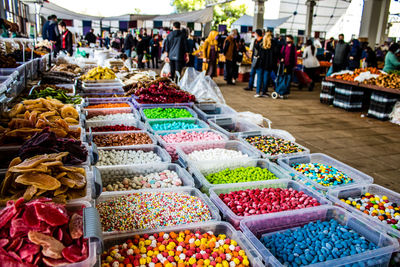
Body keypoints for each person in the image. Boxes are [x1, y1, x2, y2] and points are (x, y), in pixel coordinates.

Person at [258, 31, 279, 97]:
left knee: (259, 78)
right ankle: (264, 92)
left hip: (261, 64)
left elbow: (260, 54)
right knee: (265, 78)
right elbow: (276, 53)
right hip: (268, 64)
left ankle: (257, 92)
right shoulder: (273, 45)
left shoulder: (262, 44)